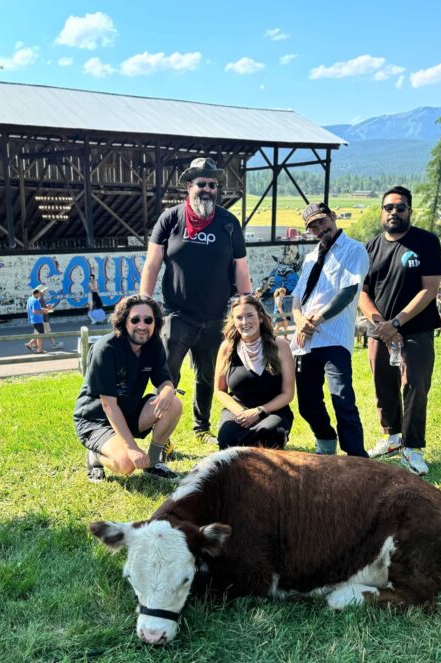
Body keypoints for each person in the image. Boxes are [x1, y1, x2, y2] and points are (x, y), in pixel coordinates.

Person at [139, 157, 252, 446]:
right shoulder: (170, 219)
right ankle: (161, 433)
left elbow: (241, 269)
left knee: (208, 376)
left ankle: (202, 428)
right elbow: (152, 265)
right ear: (189, 186)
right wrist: (143, 302)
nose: (207, 189)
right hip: (178, 315)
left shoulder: (229, 224)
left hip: (216, 316)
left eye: (212, 185)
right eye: (201, 183)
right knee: (167, 374)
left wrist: (246, 305)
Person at [359, 186, 441, 476]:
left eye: (400, 207)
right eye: (388, 208)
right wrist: (380, 324)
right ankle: (392, 437)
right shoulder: (370, 247)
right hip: (379, 331)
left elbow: (429, 289)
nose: (393, 212)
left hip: (416, 330)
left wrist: (397, 323)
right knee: (383, 384)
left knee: (416, 385)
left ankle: (412, 447)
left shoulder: (426, 242)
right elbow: (362, 292)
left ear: (409, 211)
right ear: (382, 212)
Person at [291, 202, 370, 457]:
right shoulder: (311, 257)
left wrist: (316, 320)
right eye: (313, 226)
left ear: (333, 216)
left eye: (322, 221)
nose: (319, 228)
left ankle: (357, 456)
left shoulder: (353, 249)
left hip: (334, 337)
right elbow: (297, 296)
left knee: (342, 398)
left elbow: (349, 291)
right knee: (307, 401)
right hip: (305, 341)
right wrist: (299, 318)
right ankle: (325, 440)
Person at [74, 294, 181, 482]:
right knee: (126, 464)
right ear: (124, 321)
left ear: (155, 323)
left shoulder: (154, 345)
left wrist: (167, 390)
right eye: (135, 319)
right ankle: (95, 455)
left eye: (148, 320)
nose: (142, 326)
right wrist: (131, 447)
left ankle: (153, 462)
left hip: (128, 413)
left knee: (174, 403)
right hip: (96, 420)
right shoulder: (106, 348)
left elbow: (164, 380)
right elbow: (108, 406)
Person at [214, 295, 295, 449]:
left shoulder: (280, 346)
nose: (245, 322)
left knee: (270, 433)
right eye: (239, 317)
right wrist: (242, 413)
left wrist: (259, 412)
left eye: (249, 315)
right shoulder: (227, 348)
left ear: (261, 318)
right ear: (234, 321)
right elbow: (220, 390)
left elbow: (288, 393)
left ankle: (272, 439)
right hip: (239, 409)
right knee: (227, 439)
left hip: (272, 410)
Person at [25, 286, 50, 353]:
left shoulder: (30, 299)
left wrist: (42, 309)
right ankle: (38, 349)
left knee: (39, 334)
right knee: (40, 334)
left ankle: (31, 345)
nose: (40, 295)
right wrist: (43, 311)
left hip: (33, 320)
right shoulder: (35, 301)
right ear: (36, 294)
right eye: (39, 294)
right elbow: (35, 311)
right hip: (37, 320)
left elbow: (32, 309)